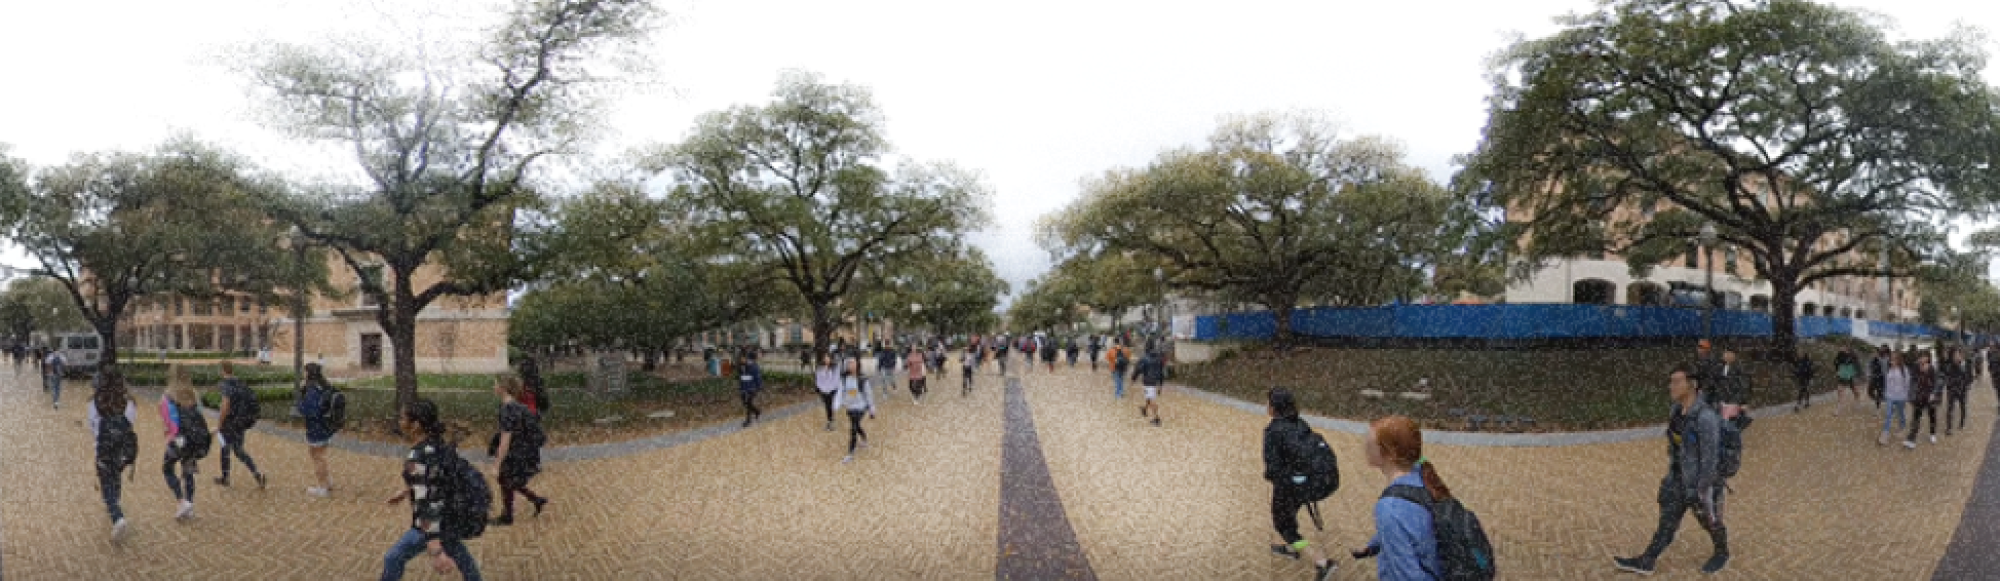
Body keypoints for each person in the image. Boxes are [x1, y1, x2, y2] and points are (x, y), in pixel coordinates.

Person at [1614, 365, 1730, 575]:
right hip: (1678, 480)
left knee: (1711, 522)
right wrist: (1672, 475)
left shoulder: (1705, 417)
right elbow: (1677, 447)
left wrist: (1701, 490)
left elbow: (1711, 459)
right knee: (1667, 523)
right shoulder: (1675, 411)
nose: (1672, 386)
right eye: (1671, 381)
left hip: (1701, 485)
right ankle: (1647, 561)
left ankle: (1722, 552)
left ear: (1692, 385)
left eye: (1677, 381)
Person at [381, 399, 483, 581]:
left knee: (393, 558)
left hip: (434, 522)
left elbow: (427, 502)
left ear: (416, 425)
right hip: (450, 513)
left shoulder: (417, 457)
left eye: (403, 418)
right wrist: (408, 490)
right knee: (459, 553)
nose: (400, 421)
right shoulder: (438, 444)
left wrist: (434, 549)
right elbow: (435, 479)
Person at [1262, 388, 1339, 581]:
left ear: (1273, 408)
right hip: (1309, 482)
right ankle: (1290, 548)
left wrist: (1275, 479)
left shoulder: (1273, 432)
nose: (1266, 406)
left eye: (1268, 403)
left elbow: (1273, 469)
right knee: (1289, 514)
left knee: (1283, 525)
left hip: (1290, 486)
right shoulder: (1299, 422)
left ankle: (1321, 562)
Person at [488, 375, 548, 526]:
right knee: (508, 480)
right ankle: (535, 500)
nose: (493, 387)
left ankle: (507, 517)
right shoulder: (515, 405)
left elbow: (505, 440)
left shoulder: (508, 409)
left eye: (495, 384)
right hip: (523, 449)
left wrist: (496, 464)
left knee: (506, 479)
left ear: (503, 388)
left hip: (517, 451)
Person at [89, 366, 138, 541]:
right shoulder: (129, 401)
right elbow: (130, 423)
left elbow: (93, 427)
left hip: (104, 447)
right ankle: (115, 502)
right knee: (116, 474)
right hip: (122, 448)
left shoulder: (96, 400)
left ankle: (117, 517)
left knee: (105, 483)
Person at [213, 361, 268, 489]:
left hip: (229, 422)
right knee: (239, 451)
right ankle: (256, 473)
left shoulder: (226, 385)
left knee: (225, 449)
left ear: (222, 371)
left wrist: (220, 423)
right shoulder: (239, 382)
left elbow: (225, 406)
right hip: (241, 422)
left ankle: (225, 478)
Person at [160, 366, 204, 521]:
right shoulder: (194, 394)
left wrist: (170, 431)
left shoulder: (168, 395)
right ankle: (189, 505)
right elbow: (200, 415)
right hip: (192, 440)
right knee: (188, 472)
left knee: (167, 468)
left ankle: (181, 500)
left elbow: (168, 421)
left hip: (177, 440)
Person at [296, 363, 337, 497]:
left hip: (316, 428)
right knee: (320, 456)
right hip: (325, 426)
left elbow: (308, 410)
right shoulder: (324, 386)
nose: (304, 374)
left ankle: (322, 487)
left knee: (317, 457)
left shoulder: (312, 390)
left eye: (305, 371)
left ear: (309, 373)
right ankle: (328, 481)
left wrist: (300, 402)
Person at [833, 357, 877, 464]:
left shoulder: (862, 379)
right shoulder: (844, 379)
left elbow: (868, 394)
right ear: (846, 366)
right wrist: (836, 405)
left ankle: (850, 454)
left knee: (853, 428)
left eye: (853, 363)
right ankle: (864, 438)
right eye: (849, 364)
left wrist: (872, 408)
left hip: (861, 407)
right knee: (856, 425)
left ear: (857, 365)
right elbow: (840, 393)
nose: (852, 365)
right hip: (850, 407)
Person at [1906, 354, 1941, 449]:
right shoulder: (1915, 367)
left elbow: (1936, 382)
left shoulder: (1932, 368)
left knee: (1932, 416)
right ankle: (1911, 440)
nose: (1923, 359)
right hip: (1919, 397)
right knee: (1916, 418)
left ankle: (1932, 433)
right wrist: (1920, 373)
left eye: (1925, 357)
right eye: (1921, 357)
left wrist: (1933, 393)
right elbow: (1912, 381)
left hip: (1930, 396)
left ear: (1928, 358)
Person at [1879, 352, 1911, 446]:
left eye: (1894, 359)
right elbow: (1887, 382)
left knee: (1900, 414)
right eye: (1891, 359)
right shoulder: (1889, 369)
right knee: (1888, 414)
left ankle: (1903, 428)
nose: (1891, 361)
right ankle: (1885, 435)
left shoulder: (1904, 369)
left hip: (1901, 396)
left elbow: (1907, 384)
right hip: (1890, 396)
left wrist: (1907, 397)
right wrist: (1885, 394)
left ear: (1898, 360)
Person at [1132, 348, 1167, 427]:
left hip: (1148, 382)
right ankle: (1144, 409)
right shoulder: (1159, 361)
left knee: (1151, 400)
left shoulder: (1145, 360)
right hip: (1155, 382)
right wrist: (1160, 386)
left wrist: (1133, 379)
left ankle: (1157, 419)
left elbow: (1138, 369)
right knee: (1149, 397)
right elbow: (1162, 374)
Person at [1945, 348, 1973, 436]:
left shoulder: (1967, 364)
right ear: (1952, 356)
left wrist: (1967, 384)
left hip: (1963, 390)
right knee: (1950, 409)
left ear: (1961, 355)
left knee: (1963, 407)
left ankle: (1962, 423)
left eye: (1958, 354)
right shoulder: (1949, 365)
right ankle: (1949, 428)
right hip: (1952, 390)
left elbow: (1970, 377)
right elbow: (1947, 377)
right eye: (1954, 355)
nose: (1956, 356)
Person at [815, 354, 841, 431]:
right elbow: (818, 379)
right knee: (827, 406)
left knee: (831, 405)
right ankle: (830, 421)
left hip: (832, 390)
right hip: (823, 390)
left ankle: (831, 422)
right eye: (825, 358)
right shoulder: (820, 368)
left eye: (828, 358)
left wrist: (831, 388)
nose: (826, 360)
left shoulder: (835, 368)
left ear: (830, 359)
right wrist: (821, 388)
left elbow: (836, 379)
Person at [738, 352, 763, 428]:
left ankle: (748, 420)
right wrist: (741, 387)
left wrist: (759, 387)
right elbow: (742, 377)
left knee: (748, 403)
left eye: (743, 358)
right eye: (741, 358)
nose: (741, 359)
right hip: (744, 388)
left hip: (752, 388)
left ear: (748, 358)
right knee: (745, 403)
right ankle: (757, 412)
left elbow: (758, 378)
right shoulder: (743, 366)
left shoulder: (755, 367)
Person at [1833, 348, 1861, 415]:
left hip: (1851, 374)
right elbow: (1835, 362)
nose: (1842, 348)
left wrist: (1858, 373)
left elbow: (1857, 363)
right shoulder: (1840, 354)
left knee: (1855, 390)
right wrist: (1837, 370)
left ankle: (1857, 402)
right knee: (1840, 390)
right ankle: (1839, 407)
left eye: (1844, 347)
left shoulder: (1853, 354)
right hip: (1843, 373)